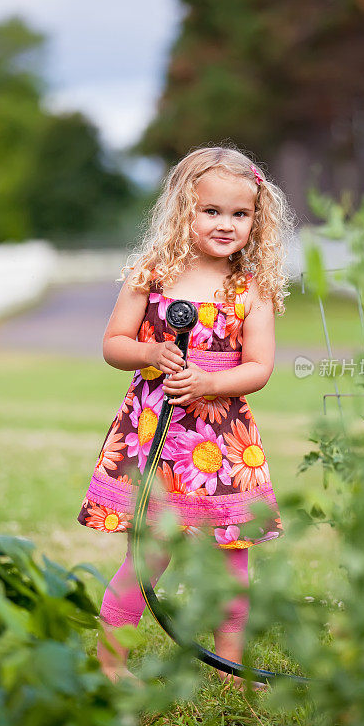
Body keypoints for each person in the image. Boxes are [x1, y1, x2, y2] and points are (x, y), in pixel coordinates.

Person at [77, 145, 295, 690]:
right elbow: (113, 344)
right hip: (160, 436)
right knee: (150, 553)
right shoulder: (152, 275)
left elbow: (260, 367)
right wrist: (150, 354)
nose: (226, 224)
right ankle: (109, 661)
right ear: (183, 210)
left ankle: (231, 669)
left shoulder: (251, 289)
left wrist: (210, 384)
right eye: (211, 211)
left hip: (222, 437)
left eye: (240, 214)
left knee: (233, 557)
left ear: (257, 219)